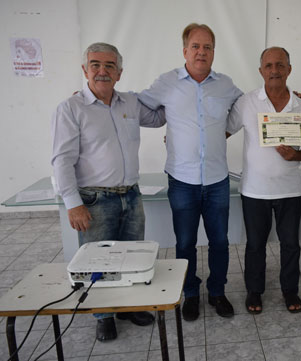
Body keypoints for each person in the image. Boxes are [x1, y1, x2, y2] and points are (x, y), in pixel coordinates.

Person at [51, 42, 166, 341]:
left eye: (109, 66)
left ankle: (127, 307)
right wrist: (73, 203)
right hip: (95, 199)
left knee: (131, 256)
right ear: (85, 69)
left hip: (131, 194)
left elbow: (159, 117)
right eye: (96, 65)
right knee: (97, 263)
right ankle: (102, 315)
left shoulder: (130, 102)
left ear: (119, 72)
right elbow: (62, 160)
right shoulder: (70, 109)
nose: (102, 71)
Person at [137, 24, 243, 321]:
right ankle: (191, 294)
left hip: (217, 179)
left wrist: (286, 97)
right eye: (196, 46)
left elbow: (248, 105)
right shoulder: (167, 83)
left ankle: (218, 292)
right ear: (185, 50)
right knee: (184, 242)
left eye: (207, 47)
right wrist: (99, 95)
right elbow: (137, 103)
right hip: (182, 181)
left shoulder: (225, 85)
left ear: (213, 52)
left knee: (219, 241)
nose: (201, 52)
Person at [227, 47, 301, 314]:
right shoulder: (246, 102)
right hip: (254, 191)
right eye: (269, 66)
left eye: (280, 65)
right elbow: (222, 131)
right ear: (261, 71)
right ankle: (254, 291)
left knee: (291, 244)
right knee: (255, 245)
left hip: (290, 190)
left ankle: (290, 290)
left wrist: (296, 154)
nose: (274, 70)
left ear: (289, 69)